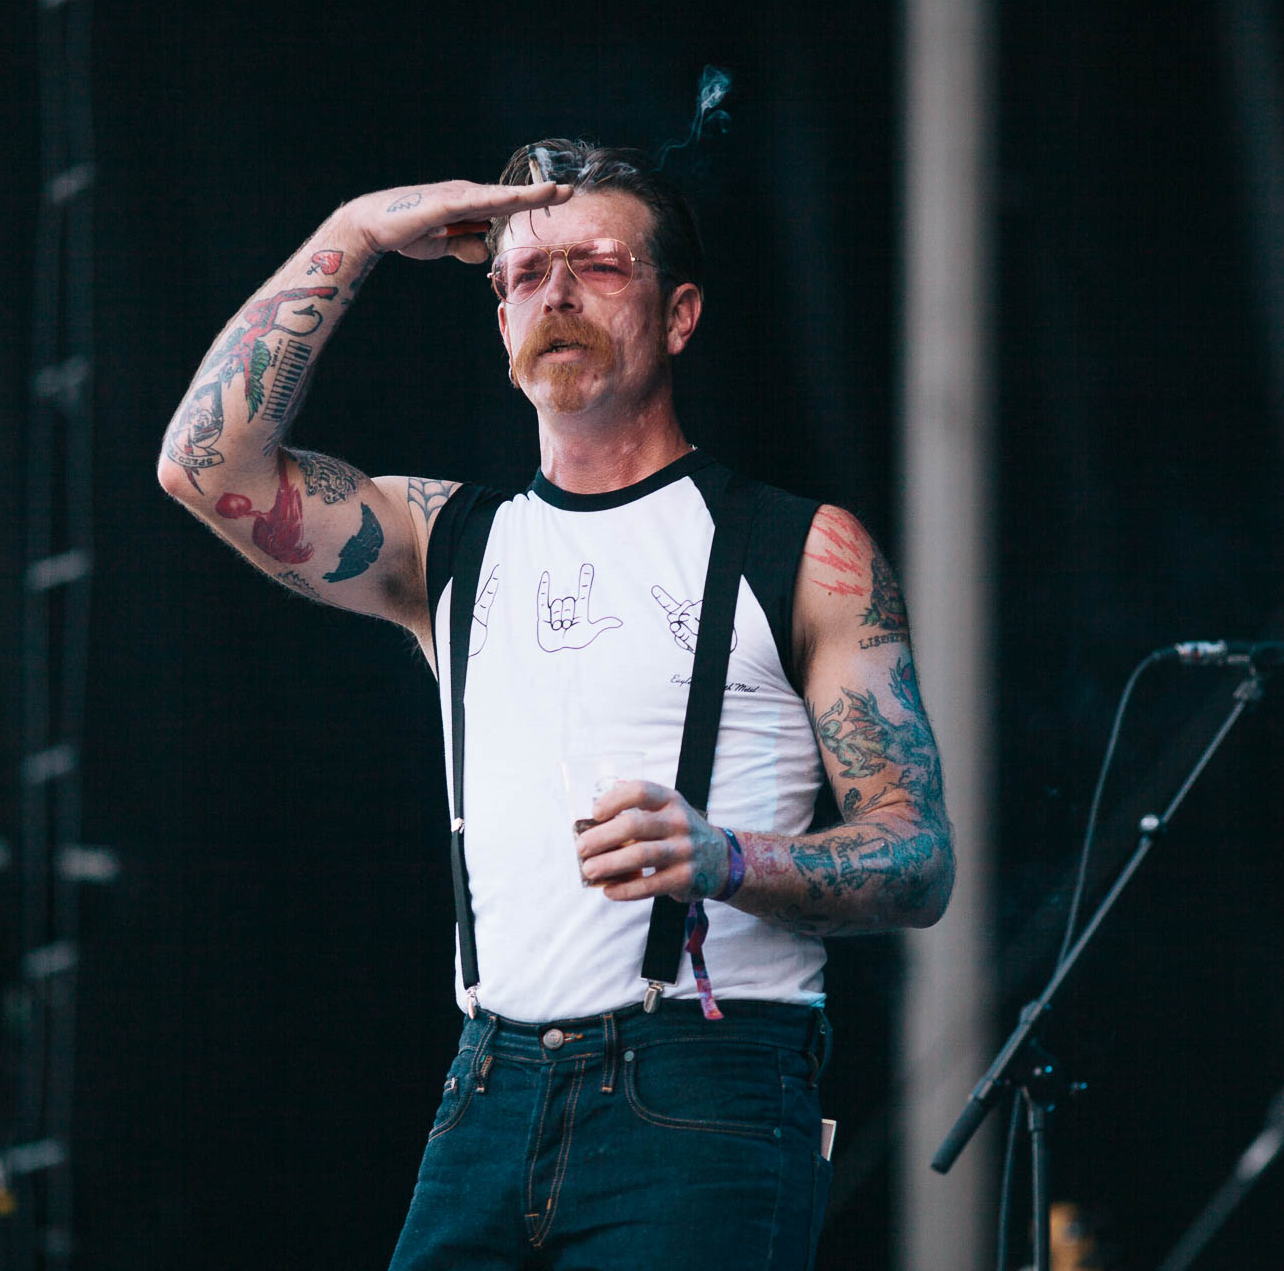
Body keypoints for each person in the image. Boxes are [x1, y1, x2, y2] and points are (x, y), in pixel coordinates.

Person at [157, 139, 954, 1270]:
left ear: (680, 315)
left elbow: (918, 858)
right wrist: (359, 229)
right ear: (501, 324)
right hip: (486, 1087)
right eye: (526, 273)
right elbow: (206, 464)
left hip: (705, 1089)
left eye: (600, 264)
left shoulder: (803, 551)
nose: (557, 293)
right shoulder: (447, 542)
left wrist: (724, 857)